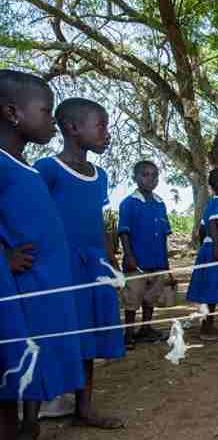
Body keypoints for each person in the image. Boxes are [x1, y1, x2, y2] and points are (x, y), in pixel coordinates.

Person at [0, 69, 84, 439]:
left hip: (44, 284)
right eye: (46, 111)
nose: (51, 120)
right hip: (18, 285)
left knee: (33, 359)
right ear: (12, 112)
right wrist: (4, 256)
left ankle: (28, 425)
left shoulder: (26, 168)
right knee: (11, 363)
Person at [35, 97, 125, 430]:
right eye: (101, 125)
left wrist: (110, 260)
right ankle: (41, 405)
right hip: (60, 266)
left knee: (87, 335)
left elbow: (98, 220)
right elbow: (33, 216)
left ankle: (83, 407)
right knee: (57, 330)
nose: (107, 133)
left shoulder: (99, 175)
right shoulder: (47, 170)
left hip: (93, 265)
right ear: (73, 128)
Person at [118, 160, 174, 349]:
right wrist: (129, 255)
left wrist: (166, 262)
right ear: (135, 178)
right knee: (133, 297)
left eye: (154, 175)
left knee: (150, 297)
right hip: (137, 261)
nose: (150, 179)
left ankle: (146, 328)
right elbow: (124, 231)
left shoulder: (160, 204)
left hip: (156, 260)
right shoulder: (129, 203)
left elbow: (165, 234)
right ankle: (129, 334)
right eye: (145, 174)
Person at [186, 168, 218, 340]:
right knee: (212, 289)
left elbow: (202, 229)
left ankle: (207, 325)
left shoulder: (213, 203)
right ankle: (207, 329)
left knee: (211, 289)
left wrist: (206, 246)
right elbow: (213, 224)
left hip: (211, 248)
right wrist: (216, 246)